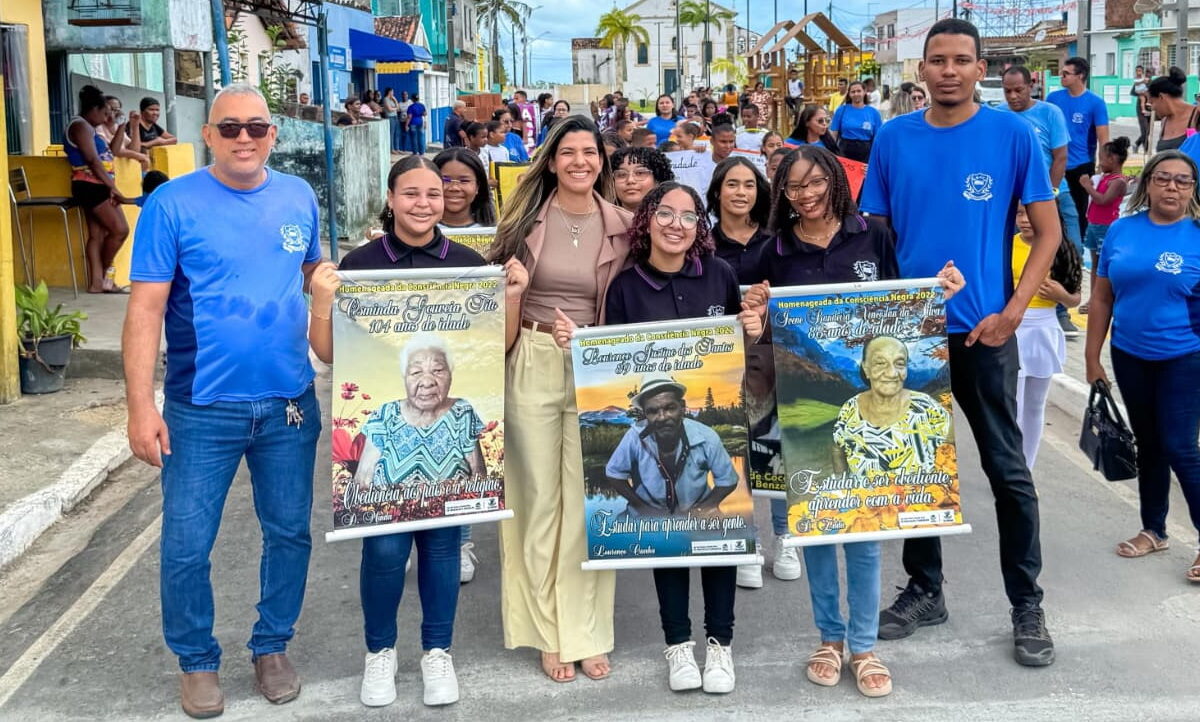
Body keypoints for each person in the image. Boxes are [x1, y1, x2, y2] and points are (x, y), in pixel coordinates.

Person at [858, 18, 1062, 668]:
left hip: (983, 331)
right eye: (937, 60)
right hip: (909, 335)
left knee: (1007, 470)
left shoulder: (1012, 135)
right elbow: (875, 238)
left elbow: (1049, 235)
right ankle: (925, 589)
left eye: (961, 60)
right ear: (921, 70)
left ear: (982, 69)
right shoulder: (893, 139)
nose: (948, 70)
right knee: (917, 469)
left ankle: (1027, 603)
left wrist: (1011, 312)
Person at [124, 83, 324, 718]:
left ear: (274, 135)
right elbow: (145, 309)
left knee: (289, 533)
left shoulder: (300, 196)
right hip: (199, 407)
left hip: (290, 402)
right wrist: (139, 406)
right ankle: (197, 661)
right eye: (230, 127)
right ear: (206, 135)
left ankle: (272, 646)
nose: (245, 138)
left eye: (257, 128)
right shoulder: (171, 203)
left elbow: (313, 281)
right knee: (186, 543)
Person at [742, 145, 964, 699]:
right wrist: (755, 313)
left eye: (815, 182)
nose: (806, 195)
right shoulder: (773, 250)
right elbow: (760, 329)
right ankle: (829, 638)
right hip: (804, 412)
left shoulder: (874, 237)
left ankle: (864, 645)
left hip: (878, 409)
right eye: (793, 187)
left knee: (866, 531)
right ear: (783, 195)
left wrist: (936, 294)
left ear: (837, 181)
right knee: (817, 527)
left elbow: (900, 310)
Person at [307, 155, 509, 708]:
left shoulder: (468, 264)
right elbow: (329, 355)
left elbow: (497, 346)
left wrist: (508, 297)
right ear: (391, 199)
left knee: (444, 550)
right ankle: (380, 654)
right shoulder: (362, 262)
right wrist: (323, 303)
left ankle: (437, 653)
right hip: (394, 444)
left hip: (448, 451)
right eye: (412, 193)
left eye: (434, 194)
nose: (424, 203)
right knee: (385, 552)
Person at [552, 182, 764, 695]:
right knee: (666, 548)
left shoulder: (720, 275)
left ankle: (719, 646)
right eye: (665, 214)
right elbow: (608, 352)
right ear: (647, 222)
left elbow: (736, 345)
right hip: (654, 496)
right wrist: (574, 344)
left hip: (707, 481)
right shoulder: (626, 286)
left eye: (688, 217)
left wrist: (752, 329)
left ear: (699, 227)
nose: (676, 225)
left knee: (717, 547)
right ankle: (677, 646)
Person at [486, 116, 631, 683]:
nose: (579, 162)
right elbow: (492, 304)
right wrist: (516, 297)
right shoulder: (522, 223)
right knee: (539, 501)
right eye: (567, 152)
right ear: (550, 161)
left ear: (602, 161)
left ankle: (586, 631)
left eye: (589, 152)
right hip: (534, 360)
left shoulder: (623, 225)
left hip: (597, 369)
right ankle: (547, 631)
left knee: (591, 505)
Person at [1084, 150, 1200, 583]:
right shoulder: (1120, 230)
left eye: (1183, 181)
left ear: (1193, 189)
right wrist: (1092, 355)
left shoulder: (1197, 235)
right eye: (1164, 178)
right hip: (1129, 353)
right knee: (1149, 443)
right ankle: (1154, 529)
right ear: (1147, 183)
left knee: (1180, 446)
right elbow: (1101, 297)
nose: (1172, 187)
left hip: (1184, 357)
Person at [1001, 65, 1080, 338]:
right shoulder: (999, 115)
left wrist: (1050, 195)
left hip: (1052, 195)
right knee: (1013, 253)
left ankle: (1061, 309)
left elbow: (1060, 157)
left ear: (1031, 86)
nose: (1013, 97)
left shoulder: (1050, 113)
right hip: (1015, 200)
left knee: (1064, 249)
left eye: (1018, 90)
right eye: (1007, 91)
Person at [1010, 205, 1081, 467]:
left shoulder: (1060, 248)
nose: (1025, 220)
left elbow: (1075, 298)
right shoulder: (1005, 246)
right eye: (1019, 214)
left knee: (1035, 406)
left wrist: (1060, 295)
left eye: (1031, 214)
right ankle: (1012, 469)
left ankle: (1027, 468)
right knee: (1012, 406)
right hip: (1012, 330)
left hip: (1045, 330)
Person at [66, 85, 131, 294]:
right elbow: (93, 161)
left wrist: (120, 125)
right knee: (120, 229)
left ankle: (97, 283)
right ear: (94, 109)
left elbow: (110, 153)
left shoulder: (89, 128)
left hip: (94, 185)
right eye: (104, 113)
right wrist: (113, 188)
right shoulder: (80, 126)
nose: (106, 118)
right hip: (91, 186)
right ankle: (104, 276)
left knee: (97, 235)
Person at [1046, 56, 1109, 244]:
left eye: (1066, 73)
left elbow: (1103, 137)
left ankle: (1077, 251)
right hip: (1056, 163)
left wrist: (1103, 166)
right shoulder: (1053, 99)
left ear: (1080, 76)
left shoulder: (1095, 103)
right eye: (1061, 73)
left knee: (1078, 212)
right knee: (1053, 208)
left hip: (1081, 165)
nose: (1061, 77)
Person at [1078, 137, 1130, 312]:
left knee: (1102, 265)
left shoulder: (1118, 181)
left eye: (1102, 159)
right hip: (1095, 224)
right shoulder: (1106, 178)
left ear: (1112, 159)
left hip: (1106, 227)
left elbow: (1103, 200)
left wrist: (1087, 186)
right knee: (1094, 264)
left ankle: (1104, 298)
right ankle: (1093, 298)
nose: (1100, 163)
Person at [435, 147, 498, 229]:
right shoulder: (420, 232)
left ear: (478, 186)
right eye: (446, 180)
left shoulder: (493, 234)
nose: (454, 188)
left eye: (464, 181)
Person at [1148, 67, 1200, 152]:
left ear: (1161, 97)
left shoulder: (1196, 116)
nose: (1152, 108)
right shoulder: (1164, 121)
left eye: (1152, 102)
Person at [829, 81, 881, 163]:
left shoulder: (874, 113)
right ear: (849, 94)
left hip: (866, 152)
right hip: (845, 151)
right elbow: (834, 134)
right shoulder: (841, 110)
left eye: (859, 91)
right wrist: (831, 152)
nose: (856, 94)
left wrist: (876, 156)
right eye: (853, 92)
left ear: (864, 92)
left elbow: (877, 137)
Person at [610, 146, 674, 212]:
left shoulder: (672, 218)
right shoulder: (602, 219)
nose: (630, 180)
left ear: (657, 180)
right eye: (622, 175)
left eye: (640, 173)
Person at [99, 95, 151, 170]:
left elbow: (134, 149)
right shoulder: (99, 126)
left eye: (116, 110)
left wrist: (135, 126)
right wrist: (139, 156)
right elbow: (114, 151)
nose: (112, 113)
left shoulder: (117, 126)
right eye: (110, 109)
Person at [1131, 65, 1152, 153]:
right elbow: (1132, 92)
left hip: (1150, 107)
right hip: (1140, 107)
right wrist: (1140, 94)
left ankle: (1136, 144)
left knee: (1148, 130)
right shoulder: (1139, 81)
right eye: (1146, 73)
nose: (1148, 75)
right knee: (1144, 129)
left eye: (1149, 73)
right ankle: (1146, 150)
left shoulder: (1152, 82)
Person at [382, 88, 402, 152]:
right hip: (390, 117)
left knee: (397, 133)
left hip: (395, 116)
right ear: (389, 92)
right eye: (392, 92)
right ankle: (392, 148)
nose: (393, 93)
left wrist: (395, 100)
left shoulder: (392, 99)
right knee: (391, 133)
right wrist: (395, 108)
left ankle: (397, 148)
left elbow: (398, 108)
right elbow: (389, 109)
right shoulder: (386, 99)